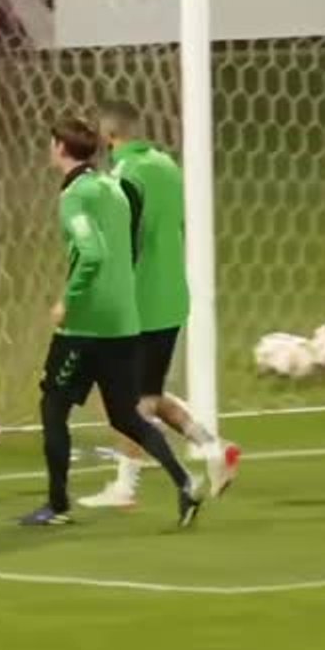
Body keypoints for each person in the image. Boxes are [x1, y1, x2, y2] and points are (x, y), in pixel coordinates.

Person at [21, 116, 202, 527]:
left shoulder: (76, 196)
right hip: (125, 321)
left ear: (61, 149)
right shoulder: (114, 189)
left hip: (87, 324)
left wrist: (68, 299)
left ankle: (57, 506)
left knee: (53, 405)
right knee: (126, 415)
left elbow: (92, 252)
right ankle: (185, 481)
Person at [78, 100, 241, 509]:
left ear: (107, 136)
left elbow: (123, 241)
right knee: (147, 390)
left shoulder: (124, 175)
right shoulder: (167, 167)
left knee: (127, 399)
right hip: (171, 297)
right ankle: (214, 449)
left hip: (140, 302)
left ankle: (125, 487)